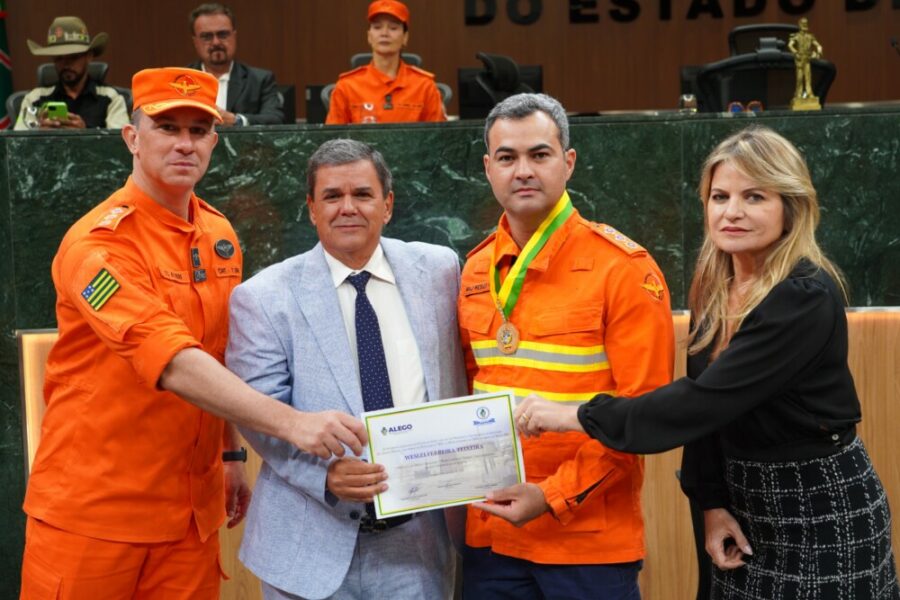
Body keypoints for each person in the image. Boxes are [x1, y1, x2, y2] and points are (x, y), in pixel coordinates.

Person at [20, 67, 366, 600]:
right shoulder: (98, 245)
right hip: (95, 514)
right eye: (167, 127)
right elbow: (173, 359)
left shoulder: (217, 234)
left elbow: (220, 352)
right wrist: (294, 424)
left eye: (198, 130)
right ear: (132, 138)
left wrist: (230, 456)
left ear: (213, 142)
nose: (185, 143)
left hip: (189, 516)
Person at [514, 126, 900, 600]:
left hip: (820, 508)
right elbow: (708, 422)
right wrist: (711, 503)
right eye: (720, 197)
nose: (731, 212)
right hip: (741, 505)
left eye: (754, 197)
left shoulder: (804, 298)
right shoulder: (715, 288)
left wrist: (573, 415)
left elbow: (699, 403)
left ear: (791, 207)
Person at [225, 138, 464, 599]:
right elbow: (257, 414)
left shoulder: (440, 270)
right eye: (332, 196)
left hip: (418, 546)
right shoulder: (263, 296)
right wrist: (325, 476)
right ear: (311, 209)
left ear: (388, 205)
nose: (347, 207)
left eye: (363, 194)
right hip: (307, 545)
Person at [457, 92, 675, 599]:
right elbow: (469, 395)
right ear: (488, 169)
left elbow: (643, 414)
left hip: (586, 543)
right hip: (492, 535)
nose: (523, 171)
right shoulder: (474, 270)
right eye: (507, 158)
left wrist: (550, 495)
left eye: (540, 154)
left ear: (568, 162)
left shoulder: (623, 269)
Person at [325, 0, 446, 125]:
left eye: (393, 28)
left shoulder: (425, 86)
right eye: (377, 27)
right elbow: (333, 136)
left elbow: (439, 135)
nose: (384, 33)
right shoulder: (347, 86)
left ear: (405, 37)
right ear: (369, 36)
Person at [15, 16, 129, 130]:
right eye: (59, 58)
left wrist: (85, 134)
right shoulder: (34, 98)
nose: (66, 64)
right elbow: (17, 140)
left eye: (74, 57)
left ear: (89, 56)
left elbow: (121, 140)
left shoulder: (110, 98)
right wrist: (39, 134)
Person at [188, 3, 285, 126]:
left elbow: (275, 119)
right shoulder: (180, 80)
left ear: (234, 36)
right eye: (207, 37)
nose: (216, 42)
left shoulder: (260, 80)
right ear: (195, 41)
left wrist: (236, 120)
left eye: (223, 34)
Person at [788, 18, 823, 102]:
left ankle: (809, 93)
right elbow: (790, 45)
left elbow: (818, 45)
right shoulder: (796, 36)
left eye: (806, 24)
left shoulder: (810, 36)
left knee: (808, 77)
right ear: (799, 25)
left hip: (807, 59)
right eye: (803, 24)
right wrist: (795, 53)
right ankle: (798, 94)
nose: (805, 25)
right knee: (799, 78)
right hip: (800, 59)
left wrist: (819, 51)